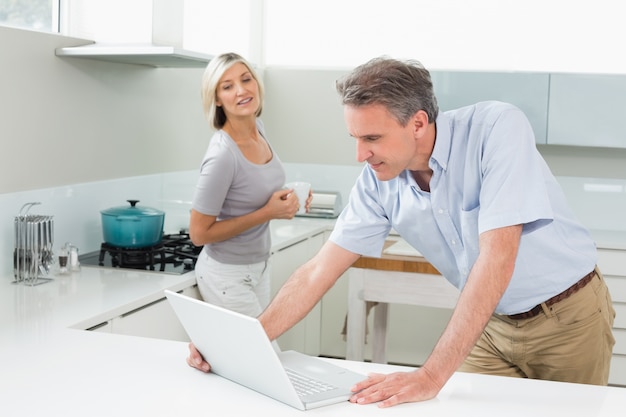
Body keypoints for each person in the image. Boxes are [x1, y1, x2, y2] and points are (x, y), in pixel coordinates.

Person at [187, 57, 616, 407]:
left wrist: (430, 374)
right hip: (493, 325)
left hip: (568, 319)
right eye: (354, 137)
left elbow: (498, 257)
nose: (360, 154)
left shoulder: (496, 129)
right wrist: (241, 344)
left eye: (372, 137)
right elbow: (320, 269)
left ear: (418, 123)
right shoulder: (379, 179)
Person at [189, 52, 310, 318]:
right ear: (217, 98)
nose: (241, 90)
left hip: (259, 266)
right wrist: (268, 213)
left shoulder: (259, 130)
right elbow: (198, 234)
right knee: (263, 355)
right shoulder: (223, 154)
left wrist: (289, 198)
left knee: (252, 355)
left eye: (246, 79)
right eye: (228, 86)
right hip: (226, 274)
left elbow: (251, 188)